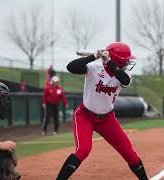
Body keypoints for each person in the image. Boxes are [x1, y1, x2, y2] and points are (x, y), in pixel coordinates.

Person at [56, 42, 148, 180]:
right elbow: (71, 67)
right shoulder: (94, 67)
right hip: (85, 116)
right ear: (119, 60)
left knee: (129, 154)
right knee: (83, 150)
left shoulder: (124, 74)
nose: (128, 62)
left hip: (107, 120)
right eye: (126, 59)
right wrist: (94, 56)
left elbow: (125, 80)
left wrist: (109, 61)